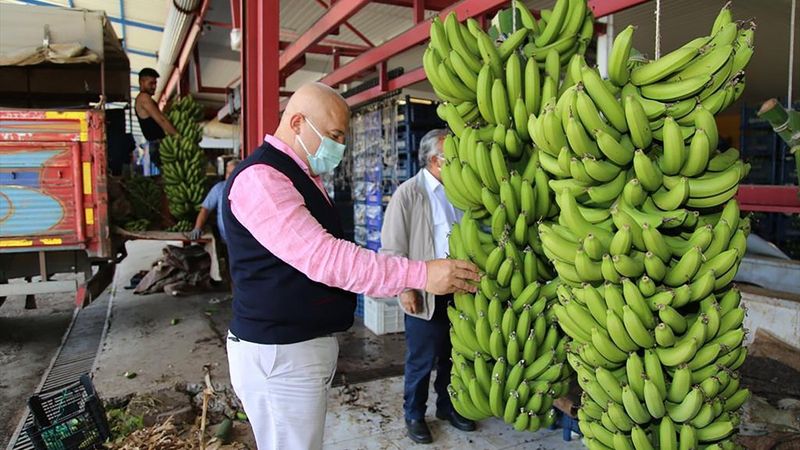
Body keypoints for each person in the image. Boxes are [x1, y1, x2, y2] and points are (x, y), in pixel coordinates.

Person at [221, 82, 480, 450]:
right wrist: (420, 274)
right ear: (297, 122)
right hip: (279, 356)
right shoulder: (262, 179)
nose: (339, 147)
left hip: (298, 349)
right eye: (333, 135)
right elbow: (326, 258)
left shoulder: (302, 174)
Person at [380, 129, 474, 444]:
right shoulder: (408, 194)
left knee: (453, 354)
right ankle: (414, 414)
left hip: (459, 290)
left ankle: (447, 407)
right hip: (425, 292)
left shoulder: (461, 191)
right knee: (422, 358)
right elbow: (392, 249)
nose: (460, 162)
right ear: (435, 160)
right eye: (453, 157)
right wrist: (405, 289)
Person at [134, 68, 177, 171]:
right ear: (142, 82)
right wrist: (177, 136)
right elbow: (161, 120)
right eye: (151, 83)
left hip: (157, 145)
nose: (154, 87)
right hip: (158, 146)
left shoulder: (146, 99)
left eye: (155, 83)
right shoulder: (143, 98)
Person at [189, 159, 239, 242]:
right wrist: (197, 227)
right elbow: (205, 209)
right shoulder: (219, 188)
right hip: (226, 239)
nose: (229, 176)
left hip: (244, 238)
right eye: (227, 173)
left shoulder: (247, 188)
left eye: (232, 173)